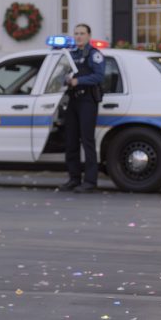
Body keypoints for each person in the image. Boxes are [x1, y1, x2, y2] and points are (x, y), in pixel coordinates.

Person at [60, 23, 105, 193]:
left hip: (87, 101)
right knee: (71, 141)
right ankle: (74, 178)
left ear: (89, 36)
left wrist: (79, 81)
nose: (78, 36)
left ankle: (90, 181)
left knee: (87, 141)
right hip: (73, 100)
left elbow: (99, 76)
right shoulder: (70, 55)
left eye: (82, 33)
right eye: (76, 33)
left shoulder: (94, 55)